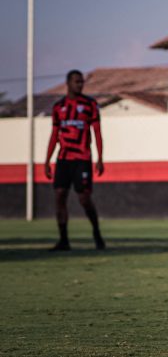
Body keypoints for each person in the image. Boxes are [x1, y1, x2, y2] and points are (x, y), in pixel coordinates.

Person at [44, 70, 105, 251]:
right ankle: (63, 240)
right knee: (59, 195)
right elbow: (54, 135)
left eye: (81, 82)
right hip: (63, 159)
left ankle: (96, 232)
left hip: (82, 159)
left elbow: (97, 132)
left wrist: (100, 158)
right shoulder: (59, 107)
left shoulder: (90, 105)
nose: (80, 85)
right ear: (68, 83)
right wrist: (47, 161)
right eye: (77, 82)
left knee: (84, 198)